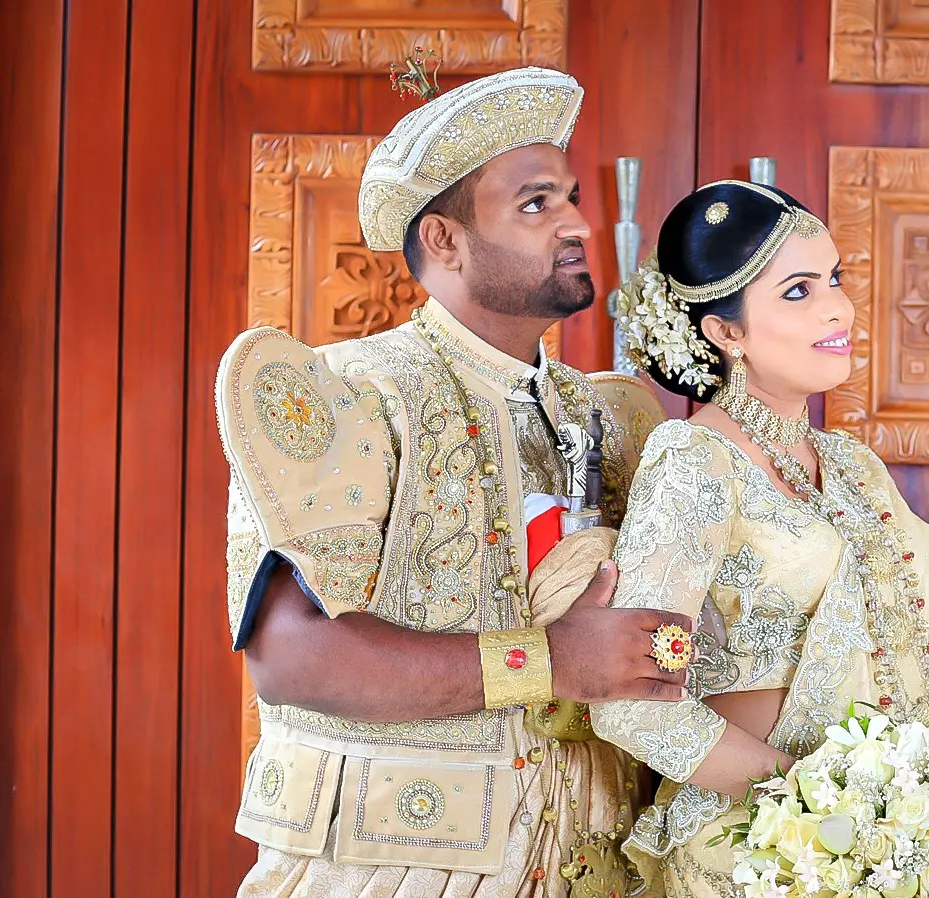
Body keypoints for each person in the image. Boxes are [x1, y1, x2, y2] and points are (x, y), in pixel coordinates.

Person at [216, 65, 690, 897]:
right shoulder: (356, 393)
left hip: (594, 860)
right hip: (394, 866)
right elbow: (290, 660)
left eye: (572, 197)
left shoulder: (613, 416)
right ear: (444, 240)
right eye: (536, 204)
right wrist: (543, 662)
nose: (577, 222)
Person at [589, 180, 929, 894]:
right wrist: (817, 804)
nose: (837, 306)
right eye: (798, 291)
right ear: (726, 332)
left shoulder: (853, 467)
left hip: (898, 842)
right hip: (757, 849)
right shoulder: (696, 458)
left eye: (833, 279)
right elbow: (627, 699)